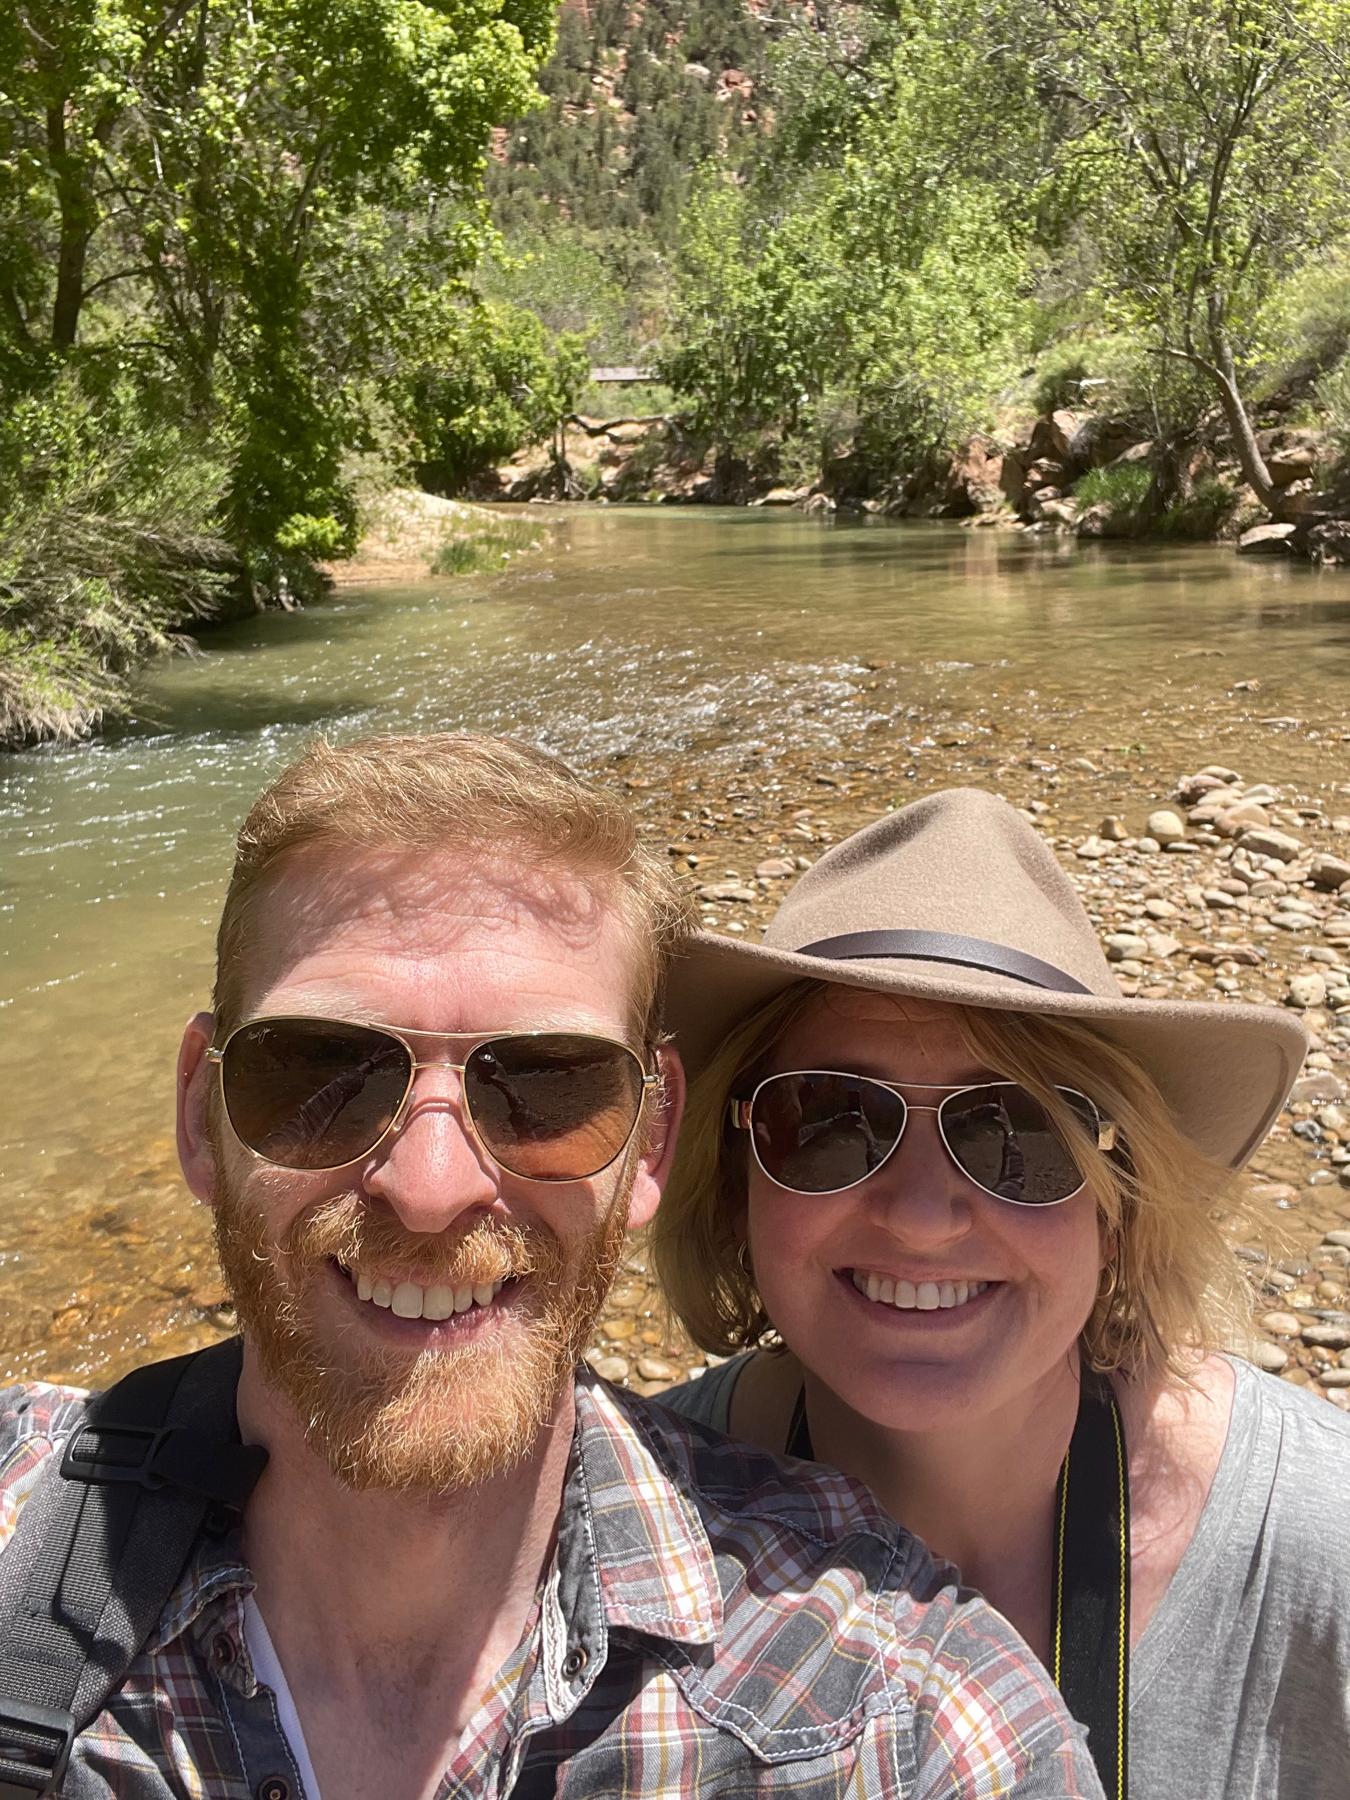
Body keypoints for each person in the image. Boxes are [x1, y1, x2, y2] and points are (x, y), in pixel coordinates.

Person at [0, 738, 1104, 1800]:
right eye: (321, 1071)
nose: (430, 1187)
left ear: (653, 1144)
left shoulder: (893, 1715)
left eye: (549, 1086)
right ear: (201, 1115)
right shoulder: (18, 1534)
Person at [655, 786, 1350, 1800]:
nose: (924, 1217)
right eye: (831, 1121)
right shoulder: (630, 1525)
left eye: (1014, 1134)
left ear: (1119, 1206)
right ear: (734, 1183)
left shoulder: (1315, 1550)